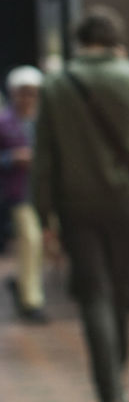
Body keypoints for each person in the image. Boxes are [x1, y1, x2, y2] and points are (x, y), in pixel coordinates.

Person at [32, 7, 129, 402]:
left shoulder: (54, 86)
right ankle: (117, 374)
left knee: (93, 295)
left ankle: (110, 395)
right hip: (124, 201)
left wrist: (44, 216)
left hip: (75, 204)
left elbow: (45, 159)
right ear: (114, 39)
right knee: (120, 291)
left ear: (79, 41)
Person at [2, 66, 47, 322]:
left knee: (40, 245)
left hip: (44, 191)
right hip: (18, 192)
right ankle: (31, 301)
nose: (27, 99)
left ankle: (21, 283)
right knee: (31, 241)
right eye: (23, 93)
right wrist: (11, 158)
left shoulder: (43, 121)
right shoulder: (4, 122)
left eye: (32, 94)